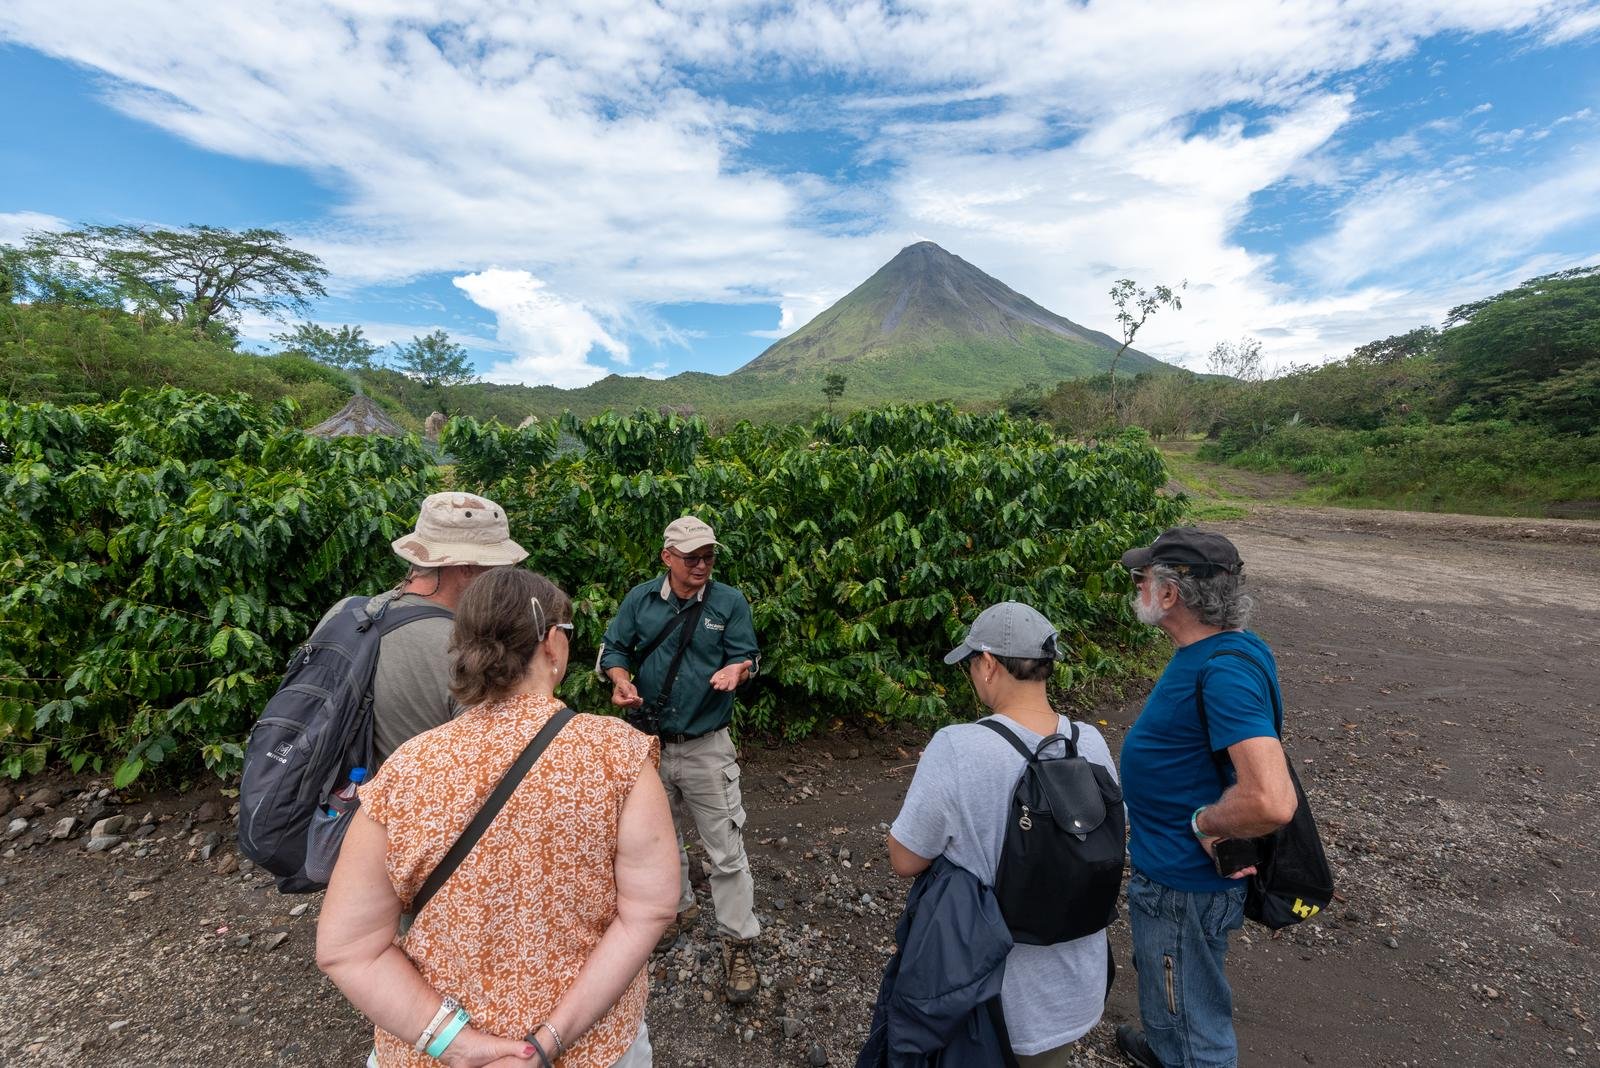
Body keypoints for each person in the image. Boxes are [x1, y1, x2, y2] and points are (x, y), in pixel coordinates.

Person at [317, 567, 680, 1067]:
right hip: (591, 1049)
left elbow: (347, 948)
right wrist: (545, 1043)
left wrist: (462, 1047)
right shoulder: (617, 754)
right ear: (553, 644)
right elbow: (651, 909)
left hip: (432, 1055)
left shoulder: (406, 769)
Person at [885, 601, 1120, 1067]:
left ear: (989, 663)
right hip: (1074, 989)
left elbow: (905, 859)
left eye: (972, 664)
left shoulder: (959, 745)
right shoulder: (1089, 741)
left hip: (990, 1000)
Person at [1114, 528, 1298, 1068]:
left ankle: (1186, 1053)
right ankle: (1166, 1045)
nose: (1137, 586)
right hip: (1175, 881)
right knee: (1172, 980)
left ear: (1169, 595)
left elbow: (1271, 799)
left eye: (1141, 578)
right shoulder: (1220, 649)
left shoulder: (1224, 671)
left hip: (1184, 886)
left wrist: (1204, 822)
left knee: (1191, 1009)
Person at [597, 516, 763, 1004]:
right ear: (667, 557)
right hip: (648, 744)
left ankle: (738, 941)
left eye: (709, 556)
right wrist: (621, 681)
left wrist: (737, 670)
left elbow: (749, 655)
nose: (702, 565)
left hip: (708, 745)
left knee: (726, 852)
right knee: (658, 841)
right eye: (692, 557)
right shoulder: (640, 600)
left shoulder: (729, 601)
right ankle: (679, 909)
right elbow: (613, 649)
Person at [318, 491, 526, 765]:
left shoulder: (345, 611)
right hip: (408, 806)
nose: (502, 581)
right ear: (465, 566)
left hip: (325, 800)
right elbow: (491, 770)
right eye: (497, 567)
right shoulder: (467, 649)